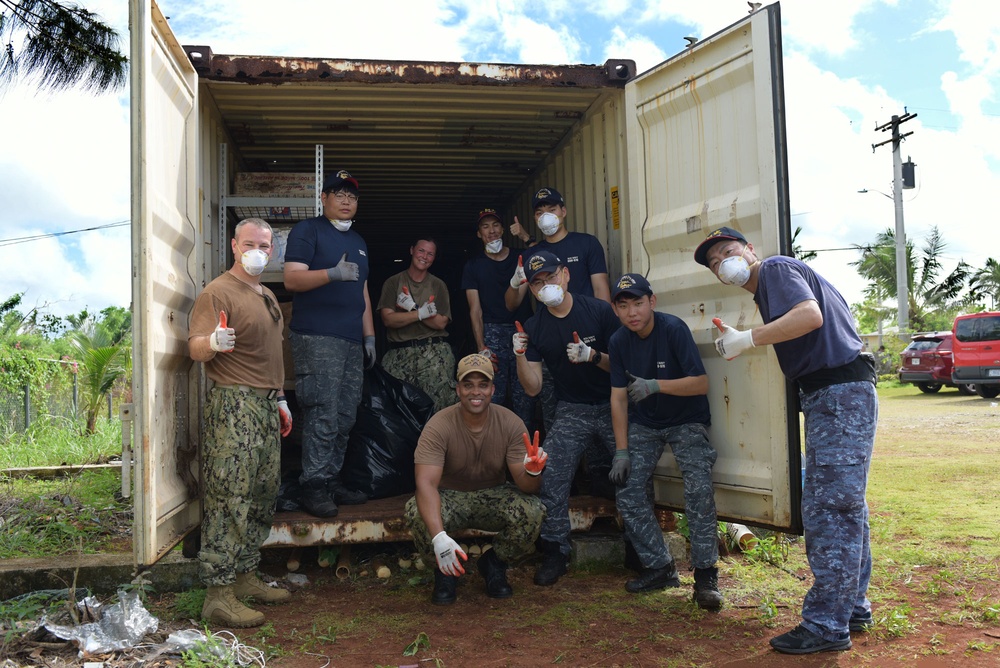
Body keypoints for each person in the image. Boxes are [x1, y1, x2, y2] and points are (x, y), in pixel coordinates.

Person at [694, 226, 878, 655]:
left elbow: (810, 316)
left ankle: (827, 625)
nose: (724, 262)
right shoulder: (772, 288)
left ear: (750, 250)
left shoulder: (775, 268)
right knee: (845, 505)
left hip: (837, 394)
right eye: (715, 262)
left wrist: (750, 337)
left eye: (728, 251)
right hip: (833, 394)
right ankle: (851, 606)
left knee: (829, 508)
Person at [188, 218, 294, 628]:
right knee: (229, 497)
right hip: (233, 406)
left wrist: (281, 399)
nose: (257, 251)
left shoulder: (265, 293)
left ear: (272, 251)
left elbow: (271, 355)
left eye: (264, 246)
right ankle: (217, 594)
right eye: (249, 243)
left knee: (262, 493)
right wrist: (213, 343)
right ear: (234, 246)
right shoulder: (217, 292)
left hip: (265, 406)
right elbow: (195, 346)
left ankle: (245, 576)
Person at [607, 273, 723, 609]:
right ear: (616, 310)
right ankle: (660, 567)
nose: (633, 312)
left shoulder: (673, 329)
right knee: (627, 490)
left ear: (652, 302)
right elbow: (617, 399)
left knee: (698, 487)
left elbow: (700, 384)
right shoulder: (618, 342)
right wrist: (622, 451)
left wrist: (657, 385)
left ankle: (705, 575)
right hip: (646, 422)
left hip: (686, 420)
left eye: (638, 303)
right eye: (624, 305)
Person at [513, 250, 620, 586]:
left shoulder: (600, 311)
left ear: (566, 274)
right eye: (538, 283)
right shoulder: (535, 327)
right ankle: (556, 551)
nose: (546, 286)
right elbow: (533, 388)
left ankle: (639, 548)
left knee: (635, 474)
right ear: (531, 290)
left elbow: (626, 365)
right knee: (552, 476)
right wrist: (519, 354)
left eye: (550, 277)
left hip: (612, 403)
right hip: (572, 408)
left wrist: (594, 356)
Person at [404, 353, 547, 605]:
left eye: (482, 384)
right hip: (449, 495)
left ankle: (494, 564)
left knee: (533, 510)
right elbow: (425, 483)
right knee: (417, 510)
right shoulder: (438, 425)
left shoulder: (511, 423)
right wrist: (439, 538)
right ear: (458, 389)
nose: (475, 392)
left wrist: (534, 471)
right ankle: (444, 570)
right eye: (468, 385)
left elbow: (528, 487)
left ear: (493, 388)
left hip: (492, 494)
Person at [284, 169, 376, 518]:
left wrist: (369, 336)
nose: (346, 200)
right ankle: (313, 484)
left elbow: (363, 291)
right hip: (317, 335)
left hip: (351, 339)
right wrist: (331, 274)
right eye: (338, 194)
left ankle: (331, 478)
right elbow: (292, 279)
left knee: (345, 415)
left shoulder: (359, 242)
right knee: (322, 412)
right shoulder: (308, 231)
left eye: (352, 196)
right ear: (324, 199)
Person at [461, 208, 535, 430]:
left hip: (523, 333)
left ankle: (526, 454)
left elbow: (543, 255)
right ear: (479, 234)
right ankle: (492, 450)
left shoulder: (520, 256)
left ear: (503, 229)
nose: (491, 231)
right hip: (492, 334)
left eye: (495, 225)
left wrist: (525, 236)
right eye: (485, 226)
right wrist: (481, 346)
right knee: (493, 395)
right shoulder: (473, 266)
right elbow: (475, 310)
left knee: (526, 397)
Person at [378, 237, 457, 412]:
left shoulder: (438, 285)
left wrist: (412, 308)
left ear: (434, 258)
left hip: (434, 354)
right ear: (412, 250)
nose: (425, 256)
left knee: (438, 409)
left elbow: (441, 323)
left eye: (430, 254)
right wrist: (421, 313)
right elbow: (388, 319)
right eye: (421, 251)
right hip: (399, 354)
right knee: (398, 410)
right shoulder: (394, 282)